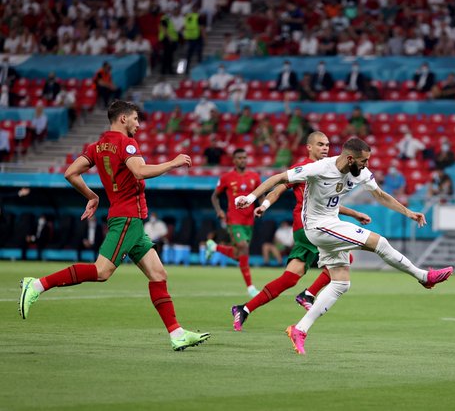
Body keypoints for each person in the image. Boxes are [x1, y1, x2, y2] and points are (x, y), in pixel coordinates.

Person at [18, 100, 210, 351]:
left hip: (132, 222)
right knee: (101, 272)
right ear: (123, 119)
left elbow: (70, 173)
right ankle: (37, 285)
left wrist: (92, 196)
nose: (139, 125)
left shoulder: (97, 146)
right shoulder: (126, 143)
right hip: (127, 218)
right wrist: (172, 163)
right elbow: (139, 171)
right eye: (135, 119)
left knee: (158, 274)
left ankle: (176, 334)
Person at [235, 137, 453, 354]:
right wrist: (252, 197)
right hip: (316, 227)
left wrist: (408, 212)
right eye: (363, 161)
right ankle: (424, 277)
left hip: (332, 223)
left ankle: (299, 329)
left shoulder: (360, 173)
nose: (366, 165)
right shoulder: (320, 168)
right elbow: (279, 178)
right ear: (350, 158)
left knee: (341, 283)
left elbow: (380, 195)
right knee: (379, 242)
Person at [229, 132, 372, 331]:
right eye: (320, 145)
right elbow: (278, 187)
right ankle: (309, 294)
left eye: (328, 145)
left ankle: (243, 309)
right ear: (309, 147)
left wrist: (354, 213)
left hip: (311, 228)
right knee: (345, 259)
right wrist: (265, 205)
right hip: (307, 227)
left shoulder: (331, 169)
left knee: (290, 278)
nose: (325, 148)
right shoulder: (304, 168)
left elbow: (326, 206)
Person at [205, 148, 261, 297]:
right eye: (239, 158)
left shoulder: (254, 176)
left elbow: (260, 194)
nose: (242, 160)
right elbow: (214, 196)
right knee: (243, 248)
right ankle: (250, 288)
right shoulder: (227, 177)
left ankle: (214, 246)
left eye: (244, 157)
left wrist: (262, 207)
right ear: (234, 160)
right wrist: (219, 211)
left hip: (249, 221)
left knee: (238, 254)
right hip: (234, 219)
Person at [183, 3, 205, 74]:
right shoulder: (199, 16)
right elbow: (201, 28)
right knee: (197, 55)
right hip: (195, 38)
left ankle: (187, 70)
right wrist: (204, 38)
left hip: (191, 38)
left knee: (192, 55)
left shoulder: (187, 16)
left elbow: (185, 27)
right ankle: (198, 69)